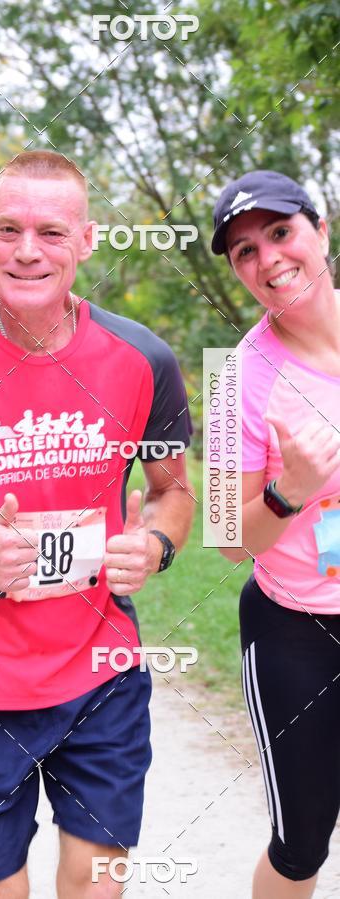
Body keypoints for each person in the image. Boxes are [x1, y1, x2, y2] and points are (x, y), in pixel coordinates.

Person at [0, 150, 194, 897]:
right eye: (9, 229)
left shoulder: (143, 355)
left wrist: (155, 542)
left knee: (96, 887)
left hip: (103, 673)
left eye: (51, 232)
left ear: (85, 241)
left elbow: (172, 490)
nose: (27, 251)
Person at [211, 170, 340, 899]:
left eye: (280, 232)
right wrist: (289, 488)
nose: (268, 259)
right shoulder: (239, 378)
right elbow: (230, 539)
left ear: (320, 231)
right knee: (302, 842)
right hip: (298, 632)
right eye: (244, 251)